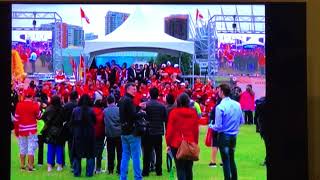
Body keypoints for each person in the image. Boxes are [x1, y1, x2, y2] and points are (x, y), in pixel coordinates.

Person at [209, 84, 244, 180]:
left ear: (222, 92)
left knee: (225, 161)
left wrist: (211, 126)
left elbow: (218, 126)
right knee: (232, 159)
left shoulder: (220, 107)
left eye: (219, 90)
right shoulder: (237, 104)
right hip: (233, 135)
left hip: (224, 136)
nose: (218, 92)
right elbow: (242, 121)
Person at [166, 93, 199, 180]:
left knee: (180, 168)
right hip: (190, 142)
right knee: (189, 168)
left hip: (176, 143)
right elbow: (196, 130)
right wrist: (195, 143)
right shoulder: (193, 113)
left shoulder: (174, 113)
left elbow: (169, 130)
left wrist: (168, 143)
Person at [118, 82, 143, 180]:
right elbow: (133, 115)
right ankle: (138, 177)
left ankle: (122, 177)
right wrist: (141, 113)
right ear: (128, 89)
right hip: (132, 132)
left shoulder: (122, 99)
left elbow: (127, 113)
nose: (135, 90)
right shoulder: (129, 100)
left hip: (124, 131)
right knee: (136, 156)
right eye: (133, 89)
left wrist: (138, 107)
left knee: (125, 155)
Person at [142, 87, 167, 177]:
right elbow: (165, 118)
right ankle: (159, 171)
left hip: (148, 131)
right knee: (158, 152)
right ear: (158, 95)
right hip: (158, 131)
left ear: (150, 94)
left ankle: (145, 171)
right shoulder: (162, 106)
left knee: (147, 153)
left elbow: (142, 116)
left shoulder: (146, 105)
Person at [14, 89, 41, 171]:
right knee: (31, 147)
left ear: (25, 96)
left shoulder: (19, 105)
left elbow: (16, 119)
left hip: (22, 129)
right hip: (32, 130)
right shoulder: (35, 105)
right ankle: (30, 166)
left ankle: (22, 165)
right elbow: (39, 116)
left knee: (22, 147)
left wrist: (16, 130)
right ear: (32, 96)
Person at [70, 94, 96, 177]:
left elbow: (72, 122)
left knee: (77, 154)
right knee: (90, 154)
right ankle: (89, 173)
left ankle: (77, 172)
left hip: (78, 135)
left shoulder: (75, 110)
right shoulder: (91, 110)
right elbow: (94, 121)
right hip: (89, 135)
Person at [41, 95, 65, 172]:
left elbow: (43, 118)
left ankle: (49, 166)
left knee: (50, 148)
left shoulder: (48, 109)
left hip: (50, 130)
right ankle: (59, 165)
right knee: (59, 148)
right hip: (60, 130)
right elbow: (64, 118)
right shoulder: (62, 109)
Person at [104, 95, 122, 175]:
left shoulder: (105, 111)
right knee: (120, 153)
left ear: (107, 102)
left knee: (110, 153)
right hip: (119, 134)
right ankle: (119, 169)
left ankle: (110, 169)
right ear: (114, 101)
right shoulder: (119, 110)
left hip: (110, 134)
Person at [62, 91, 78, 170]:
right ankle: (76, 163)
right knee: (76, 146)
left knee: (70, 145)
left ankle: (72, 163)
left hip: (68, 127)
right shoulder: (78, 105)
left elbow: (63, 117)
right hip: (77, 127)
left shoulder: (66, 105)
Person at [92, 99, 105, 174]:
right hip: (101, 133)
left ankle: (92, 167)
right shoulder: (103, 112)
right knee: (99, 152)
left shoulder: (91, 111)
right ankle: (98, 168)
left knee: (92, 150)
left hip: (92, 134)